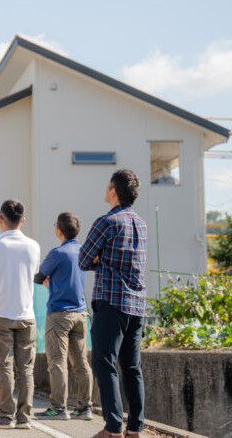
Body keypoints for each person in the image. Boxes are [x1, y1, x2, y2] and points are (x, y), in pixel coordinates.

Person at [79, 170, 147, 438]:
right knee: (131, 366)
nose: (105, 190)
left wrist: (100, 261)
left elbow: (84, 259)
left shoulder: (106, 222)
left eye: (108, 187)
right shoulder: (141, 224)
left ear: (114, 192)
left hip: (112, 301)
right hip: (137, 305)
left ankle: (112, 427)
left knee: (104, 362)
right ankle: (134, 428)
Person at [0, 199, 41, 430]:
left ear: (0, 219)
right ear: (22, 221)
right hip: (26, 314)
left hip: (0, 313)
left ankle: (5, 415)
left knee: (3, 366)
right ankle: (24, 418)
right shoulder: (34, 246)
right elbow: (34, 272)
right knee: (26, 368)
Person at [33, 212, 93, 421]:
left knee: (57, 362)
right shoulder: (84, 251)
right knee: (82, 363)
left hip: (59, 314)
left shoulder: (57, 253)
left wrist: (49, 282)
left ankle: (58, 408)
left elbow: (39, 277)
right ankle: (85, 408)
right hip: (80, 314)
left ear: (59, 230)